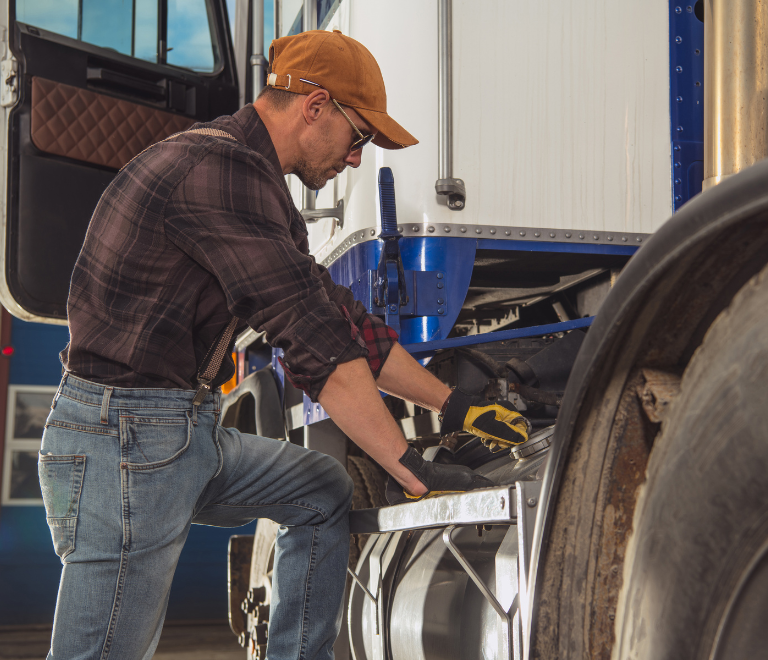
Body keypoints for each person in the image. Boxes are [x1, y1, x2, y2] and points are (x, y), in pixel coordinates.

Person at [39, 30, 530, 659]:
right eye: (359, 137)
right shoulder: (217, 173)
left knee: (321, 491)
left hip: (176, 434)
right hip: (123, 445)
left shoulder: (254, 184)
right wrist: (409, 467)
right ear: (315, 105)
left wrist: (453, 406)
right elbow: (317, 346)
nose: (357, 159)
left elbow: (338, 314)